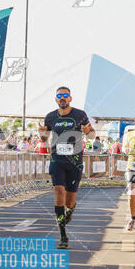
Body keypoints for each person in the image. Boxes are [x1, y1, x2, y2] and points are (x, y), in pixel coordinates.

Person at [38, 86, 95, 249]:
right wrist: (41, 132)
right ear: (56, 99)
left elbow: (91, 136)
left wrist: (88, 131)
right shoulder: (50, 117)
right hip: (57, 161)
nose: (62, 98)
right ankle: (63, 236)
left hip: (75, 163)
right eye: (59, 96)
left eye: (65, 95)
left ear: (70, 98)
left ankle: (71, 209)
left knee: (69, 201)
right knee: (58, 192)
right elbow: (43, 139)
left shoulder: (80, 115)